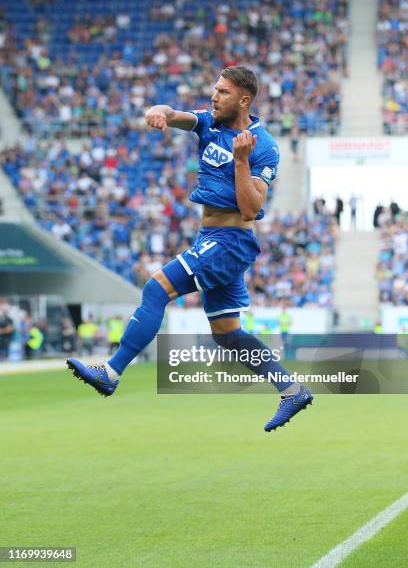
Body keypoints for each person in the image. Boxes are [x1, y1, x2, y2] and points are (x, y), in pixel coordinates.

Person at [67, 66, 313, 432]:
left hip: (229, 242)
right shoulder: (208, 123)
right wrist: (158, 111)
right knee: (227, 334)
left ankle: (112, 371)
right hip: (210, 239)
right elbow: (173, 114)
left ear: (243, 100)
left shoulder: (264, 146)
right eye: (215, 90)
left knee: (156, 288)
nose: (214, 97)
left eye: (223, 92)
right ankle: (291, 390)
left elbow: (249, 209)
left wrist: (242, 160)